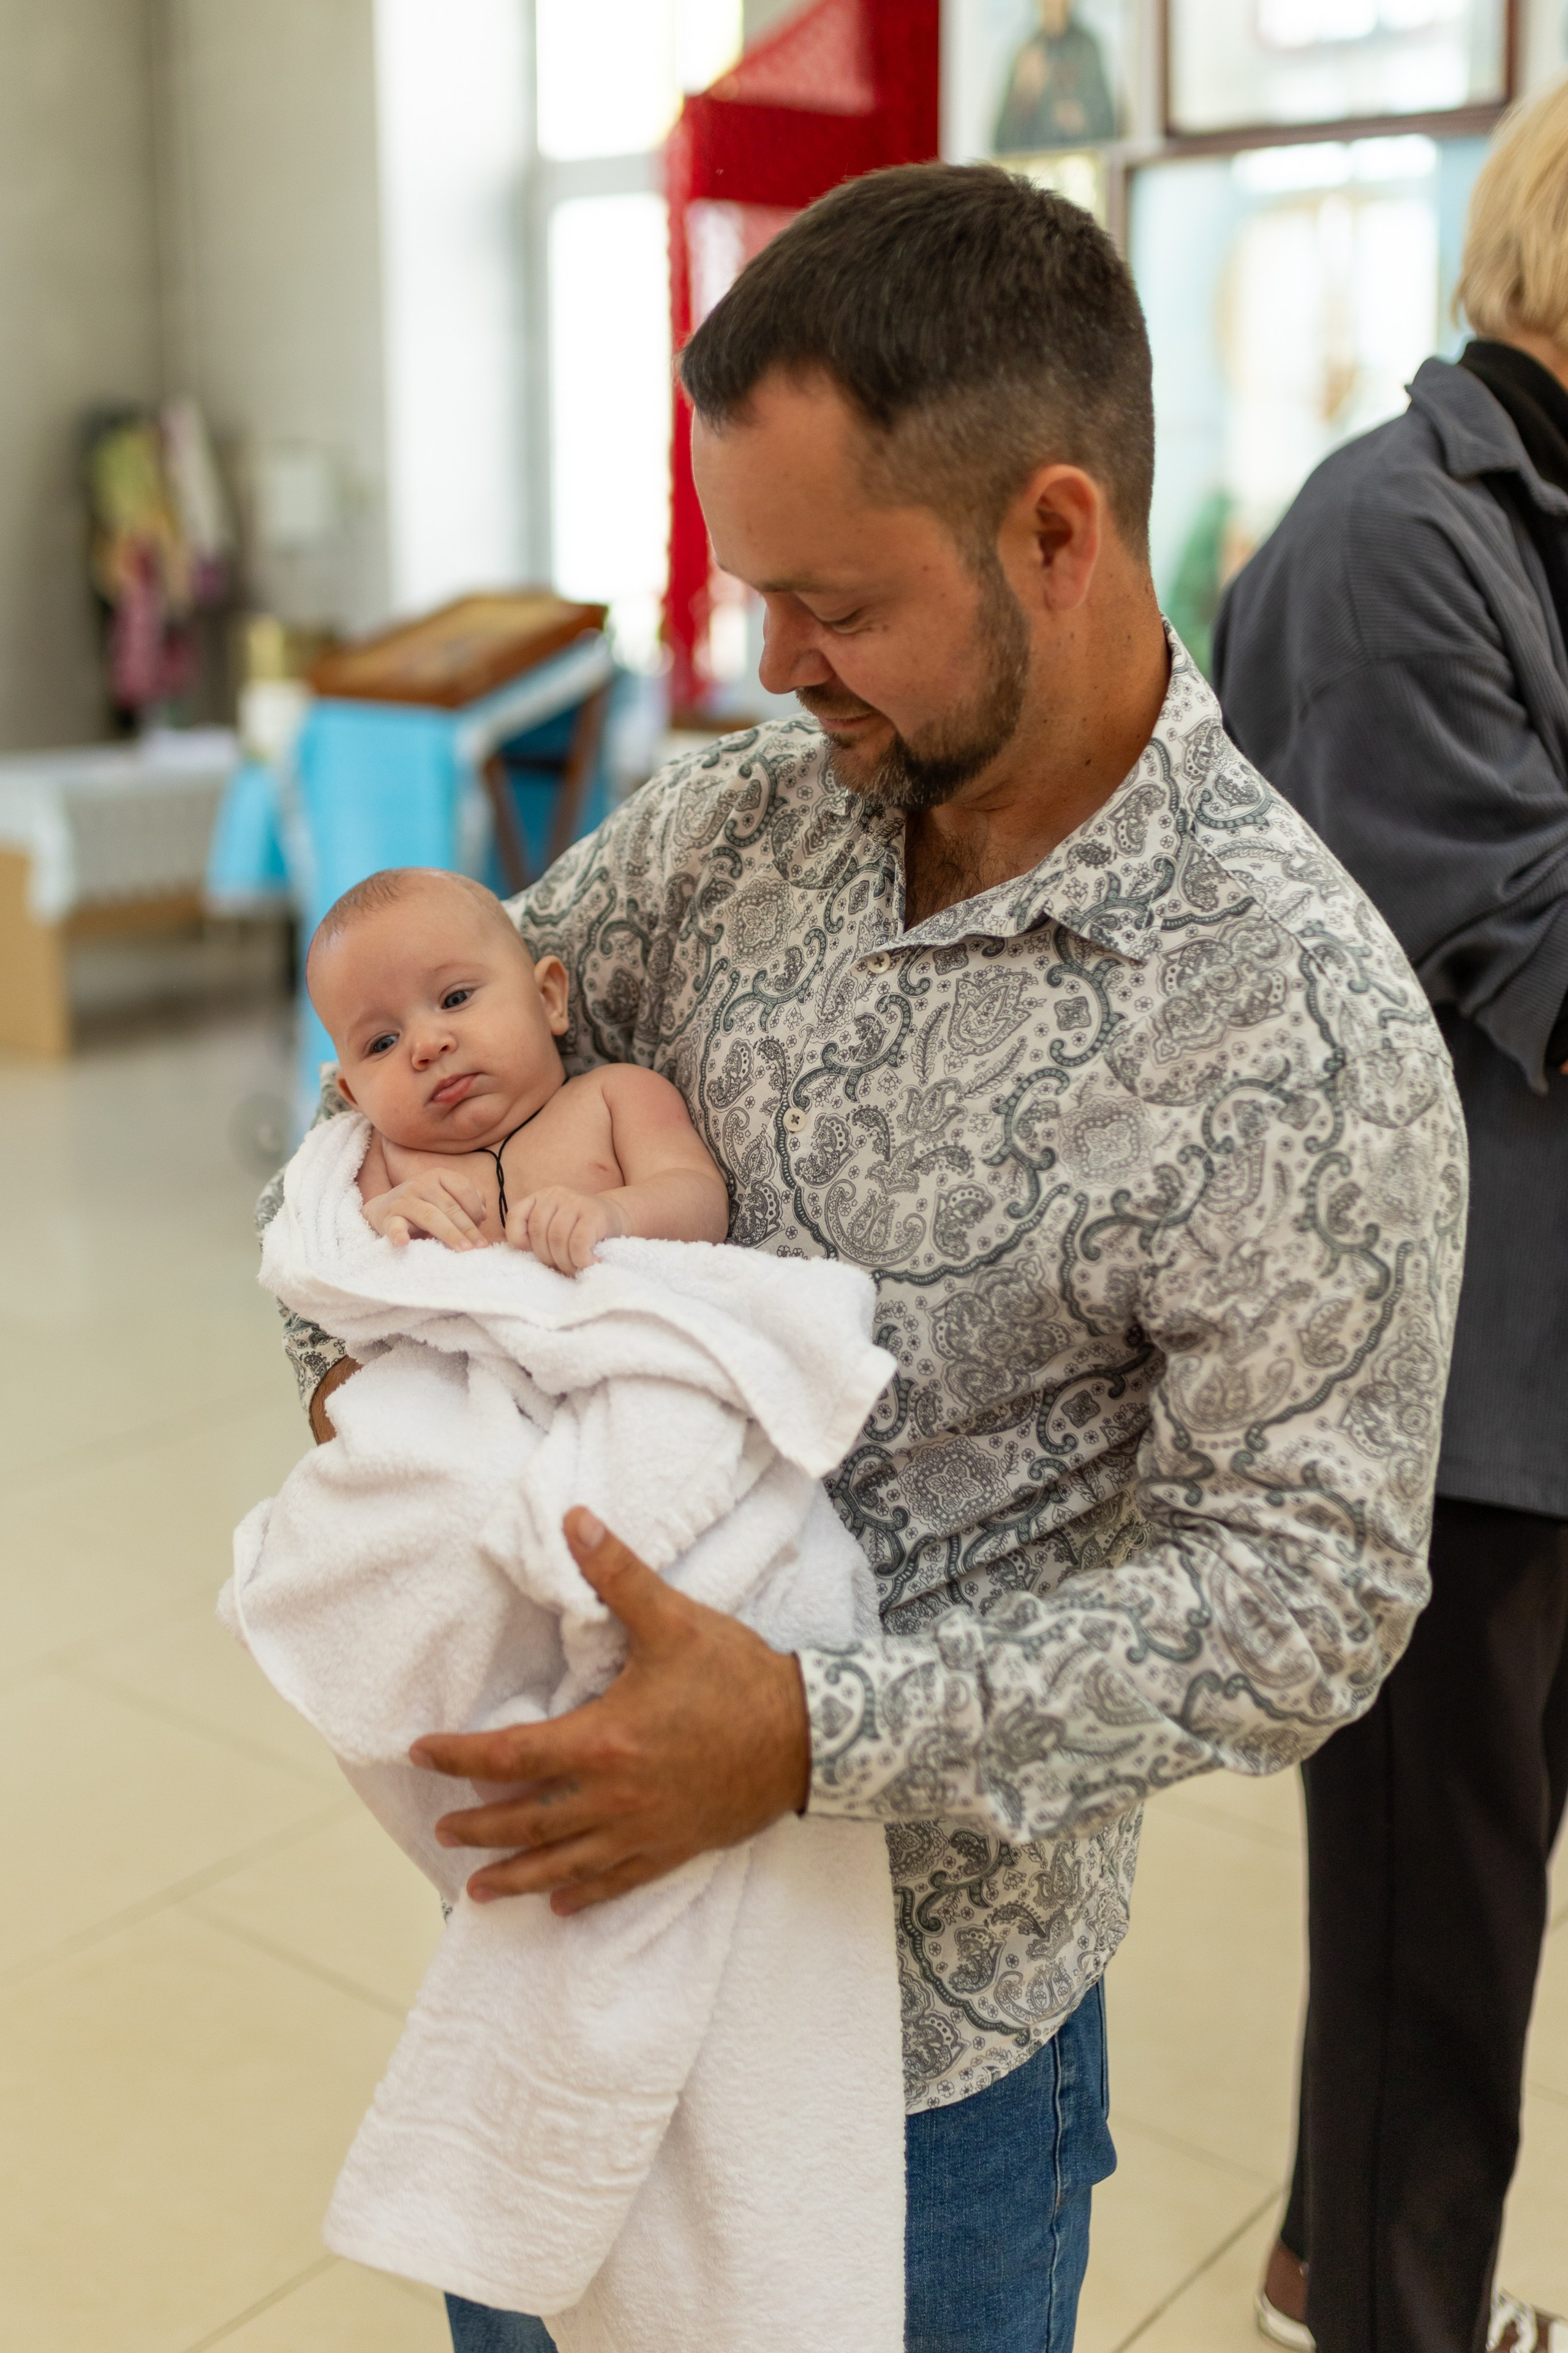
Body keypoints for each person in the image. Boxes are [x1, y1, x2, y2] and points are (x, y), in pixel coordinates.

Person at [265, 164, 1466, 2353]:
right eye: (752, 591)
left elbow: (1311, 1584)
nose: (765, 661)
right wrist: (381, 1350)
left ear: (1053, 532)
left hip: (922, 2060)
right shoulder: (737, 828)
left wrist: (809, 1727)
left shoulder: (1288, 1020)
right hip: (567, 1959)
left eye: (828, 601)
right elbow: (399, 1082)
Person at [1213, 76, 1568, 2353]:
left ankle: (1319, 2263)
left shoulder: (1540, 512)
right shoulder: (1389, 537)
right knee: (1430, 1956)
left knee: (1460, 1927)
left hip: (1544, 1375)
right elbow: (1532, 951)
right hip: (1438, 1400)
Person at [304, 864, 728, 1270]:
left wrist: (614, 1215)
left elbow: (701, 1203)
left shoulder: (617, 1098)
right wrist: (383, 1215)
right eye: (382, 1043)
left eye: (455, 999)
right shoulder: (376, 1159)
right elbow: (334, 1254)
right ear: (355, 1096)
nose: (427, 1047)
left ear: (547, 999)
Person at [992, 0, 1117, 154]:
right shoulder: (1027, 51)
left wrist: (1081, 121)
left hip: (1077, 160)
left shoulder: (1087, 49)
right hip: (1035, 163)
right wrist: (1024, 94)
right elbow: (1000, 143)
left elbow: (1108, 126)